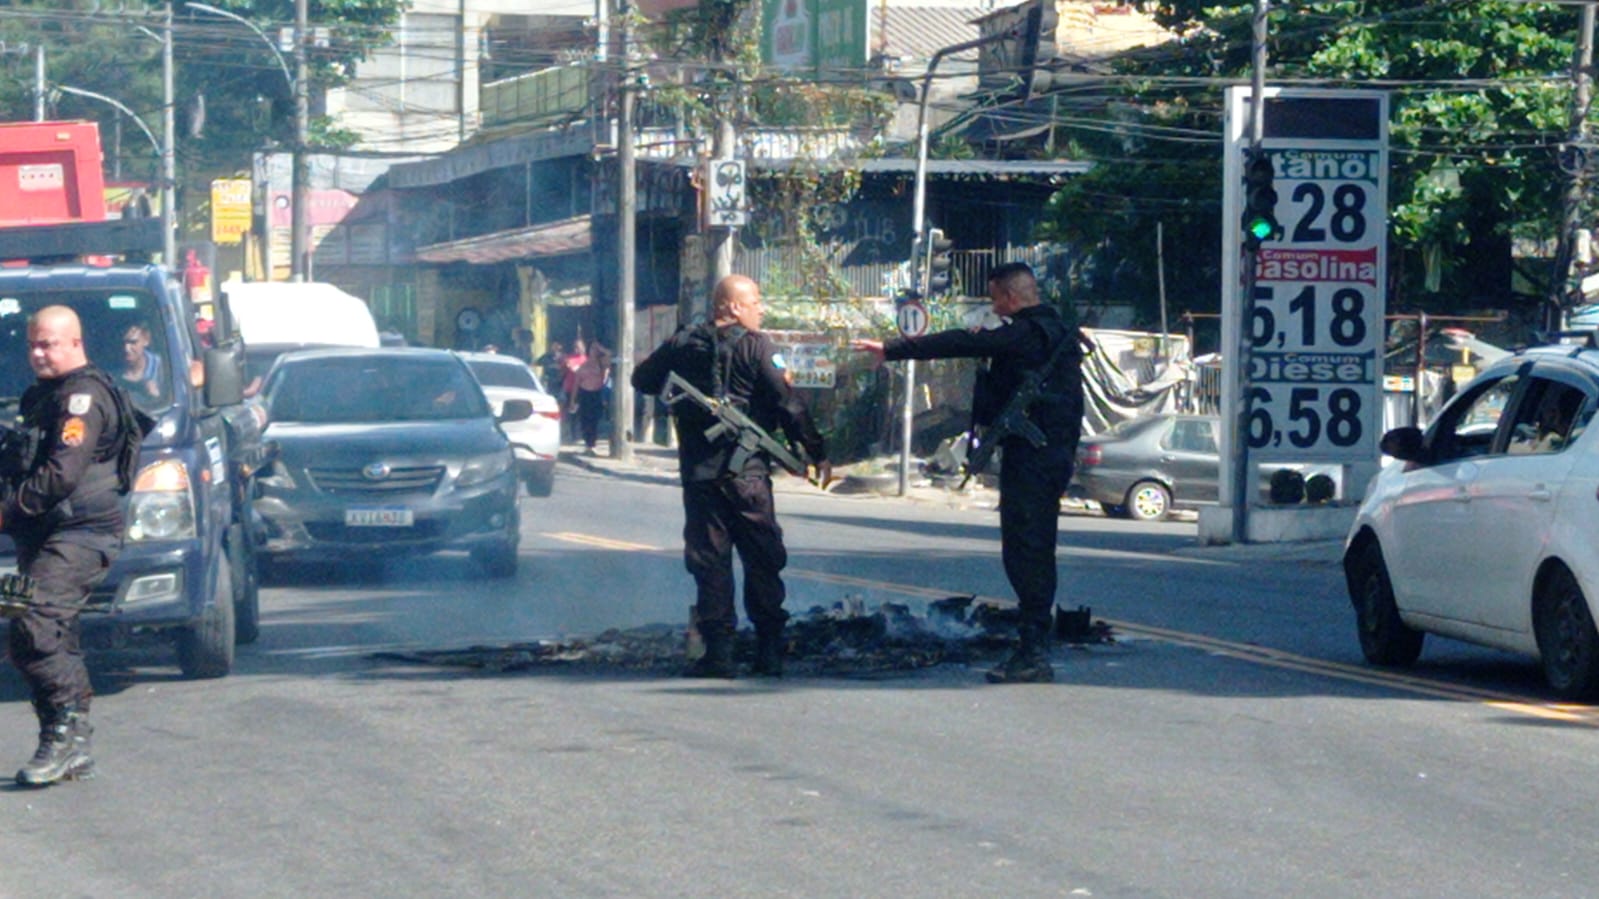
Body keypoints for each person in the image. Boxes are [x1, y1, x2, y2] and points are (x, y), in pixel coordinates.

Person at [853, 262, 1084, 684]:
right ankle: (1033, 643)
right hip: (1052, 458)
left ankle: (1033, 652)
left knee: (1025, 551)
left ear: (1011, 297)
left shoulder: (1026, 334)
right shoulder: (1058, 335)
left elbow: (957, 342)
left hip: (1033, 461)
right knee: (1034, 548)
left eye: (996, 299)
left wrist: (892, 349)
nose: (994, 308)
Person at [633, 275, 831, 679]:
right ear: (733, 306)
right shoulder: (758, 347)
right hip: (748, 477)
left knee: (711, 562)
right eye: (756, 301)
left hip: (702, 474)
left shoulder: (683, 342)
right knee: (762, 559)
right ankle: (768, 652)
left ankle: (719, 654)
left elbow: (644, 379)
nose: (762, 309)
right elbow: (788, 404)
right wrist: (816, 452)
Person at [2, 306, 148, 785]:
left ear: (74, 343)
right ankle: (66, 742)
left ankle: (65, 738)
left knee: (35, 624)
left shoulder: (83, 397)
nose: (39, 353)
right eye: (33, 345)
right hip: (39, 538)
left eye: (48, 343)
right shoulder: (46, 396)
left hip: (79, 535)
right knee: (28, 634)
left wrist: (6, 509)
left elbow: (61, 474)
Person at [570, 341, 612, 455]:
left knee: (594, 419)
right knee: (585, 420)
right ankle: (588, 443)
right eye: (591, 349)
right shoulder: (584, 365)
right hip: (584, 394)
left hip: (596, 393)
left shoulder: (601, 363)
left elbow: (610, 355)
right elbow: (576, 384)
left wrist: (600, 347)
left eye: (595, 349)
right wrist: (573, 400)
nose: (593, 351)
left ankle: (592, 443)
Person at [117, 323, 162, 404]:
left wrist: (157, 397)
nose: (126, 349)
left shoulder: (164, 367)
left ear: (146, 340)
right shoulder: (110, 374)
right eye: (123, 343)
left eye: (133, 342)